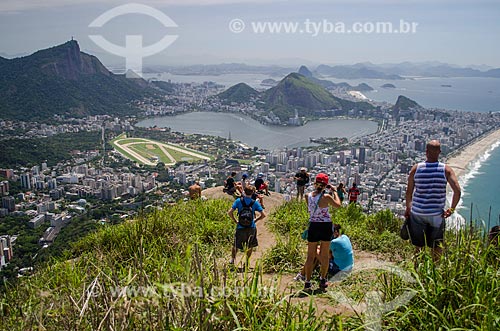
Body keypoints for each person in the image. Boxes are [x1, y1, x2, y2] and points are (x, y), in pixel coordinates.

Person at [405, 140, 461, 261]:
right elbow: (457, 191)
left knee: (418, 245)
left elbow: (409, 192)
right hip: (436, 215)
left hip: (418, 213)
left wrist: (408, 208)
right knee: (436, 246)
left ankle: (417, 268)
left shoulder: (416, 169)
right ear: (439, 152)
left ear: (426, 152)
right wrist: (451, 209)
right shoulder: (446, 170)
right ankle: (435, 270)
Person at [302, 173, 341, 291]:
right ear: (325, 185)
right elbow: (338, 205)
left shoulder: (307, 196)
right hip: (325, 226)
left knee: (310, 255)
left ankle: (307, 282)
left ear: (315, 183)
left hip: (313, 225)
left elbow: (311, 209)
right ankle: (323, 280)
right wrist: (334, 192)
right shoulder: (327, 197)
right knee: (324, 255)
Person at [227, 185, 266, 267]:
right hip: (251, 227)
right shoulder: (254, 202)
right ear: (253, 193)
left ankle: (232, 260)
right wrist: (255, 220)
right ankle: (247, 262)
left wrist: (235, 221)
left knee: (235, 245)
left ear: (244, 192)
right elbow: (263, 215)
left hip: (240, 226)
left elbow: (230, 212)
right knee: (250, 245)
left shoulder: (238, 201)